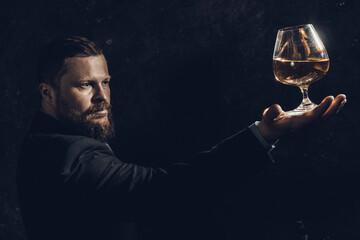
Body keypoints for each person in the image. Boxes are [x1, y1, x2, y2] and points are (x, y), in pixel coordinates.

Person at [17, 36, 346, 240]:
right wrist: (266, 133)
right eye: (85, 85)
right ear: (47, 92)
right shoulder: (66, 157)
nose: (103, 97)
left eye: (106, 82)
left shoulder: (47, 141)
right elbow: (163, 191)